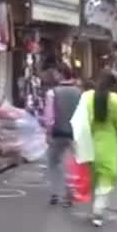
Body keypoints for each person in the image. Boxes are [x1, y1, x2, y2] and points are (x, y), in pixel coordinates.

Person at [85, 71, 117, 226]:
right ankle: (98, 210)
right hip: (108, 142)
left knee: (93, 177)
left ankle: (93, 209)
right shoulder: (115, 100)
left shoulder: (88, 97)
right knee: (106, 177)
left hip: (90, 141)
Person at [43, 64, 82, 206]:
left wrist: (48, 132)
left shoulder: (52, 93)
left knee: (54, 162)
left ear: (60, 74)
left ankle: (55, 193)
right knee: (73, 163)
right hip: (75, 133)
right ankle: (69, 193)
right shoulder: (79, 93)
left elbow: (49, 116)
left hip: (58, 132)